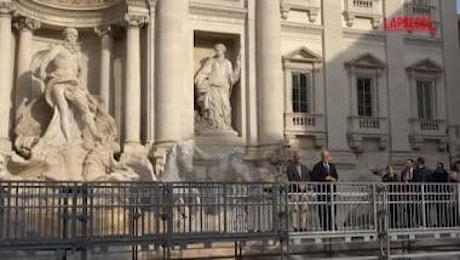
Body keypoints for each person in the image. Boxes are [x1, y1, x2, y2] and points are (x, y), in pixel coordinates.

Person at [38, 27, 101, 142]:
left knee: (86, 109)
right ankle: (67, 140)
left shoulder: (77, 55)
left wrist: (86, 93)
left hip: (73, 84)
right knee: (63, 110)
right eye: (70, 35)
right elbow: (46, 59)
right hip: (58, 82)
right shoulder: (59, 48)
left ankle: (95, 134)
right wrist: (42, 71)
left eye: (75, 36)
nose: (72, 38)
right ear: (65, 37)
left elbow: (80, 73)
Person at [194, 43, 241, 131]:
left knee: (225, 108)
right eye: (216, 50)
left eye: (218, 50)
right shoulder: (212, 61)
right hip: (213, 88)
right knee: (213, 109)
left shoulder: (227, 63)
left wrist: (238, 66)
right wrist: (199, 80)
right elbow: (204, 73)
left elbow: (232, 78)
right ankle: (214, 126)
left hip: (223, 89)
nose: (216, 52)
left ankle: (225, 125)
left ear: (223, 51)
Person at [311, 149, 338, 231]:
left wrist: (333, 178)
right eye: (324, 156)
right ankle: (324, 226)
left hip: (331, 191)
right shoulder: (317, 166)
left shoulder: (332, 166)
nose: (326, 158)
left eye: (327, 156)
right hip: (322, 191)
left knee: (333, 209)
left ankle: (332, 225)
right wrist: (325, 179)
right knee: (323, 209)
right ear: (322, 157)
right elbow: (314, 178)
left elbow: (336, 176)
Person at [286, 150, 310, 231]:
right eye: (298, 157)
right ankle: (295, 226)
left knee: (304, 209)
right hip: (294, 191)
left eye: (301, 157)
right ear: (294, 157)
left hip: (304, 191)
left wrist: (305, 185)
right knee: (295, 209)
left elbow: (307, 178)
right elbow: (291, 178)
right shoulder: (290, 167)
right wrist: (298, 185)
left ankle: (303, 226)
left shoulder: (304, 167)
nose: (299, 159)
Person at [413, 157, 432, 227]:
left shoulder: (427, 171)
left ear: (419, 162)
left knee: (426, 209)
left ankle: (426, 223)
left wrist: (429, 192)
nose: (415, 163)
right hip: (418, 193)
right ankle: (419, 223)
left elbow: (430, 182)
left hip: (426, 193)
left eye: (416, 162)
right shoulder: (415, 171)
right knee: (418, 209)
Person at [431, 161, 449, 227]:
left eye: (440, 166)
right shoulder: (434, 173)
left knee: (444, 208)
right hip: (437, 193)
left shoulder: (445, 173)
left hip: (443, 192)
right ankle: (439, 222)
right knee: (438, 209)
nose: (438, 167)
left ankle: (446, 222)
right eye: (438, 166)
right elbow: (433, 181)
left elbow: (446, 181)